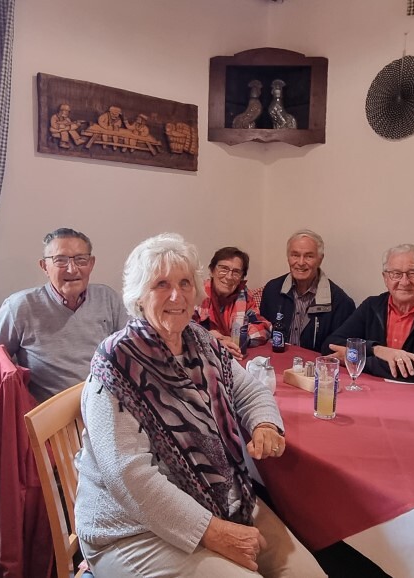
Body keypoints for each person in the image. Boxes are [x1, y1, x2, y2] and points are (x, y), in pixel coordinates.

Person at [75, 233, 326, 577]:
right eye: (161, 284)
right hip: (131, 528)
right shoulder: (117, 362)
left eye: (184, 283)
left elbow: (249, 390)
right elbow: (128, 476)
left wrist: (265, 423)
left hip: (220, 498)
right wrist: (212, 532)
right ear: (138, 295)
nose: (176, 295)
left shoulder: (201, 342)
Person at [0, 227, 128, 404]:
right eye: (60, 260)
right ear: (44, 266)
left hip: (104, 405)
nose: (72, 269)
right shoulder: (19, 306)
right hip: (50, 414)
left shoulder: (107, 298)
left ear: (91, 263)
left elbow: (131, 351)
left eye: (80, 259)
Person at [325, 244, 414, 385]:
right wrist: (377, 350)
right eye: (396, 274)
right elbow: (331, 346)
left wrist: (355, 359)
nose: (404, 282)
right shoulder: (371, 306)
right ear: (385, 278)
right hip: (372, 387)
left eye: (413, 273)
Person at [259, 229, 355, 352]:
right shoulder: (272, 290)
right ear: (288, 257)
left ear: (320, 259)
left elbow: (339, 352)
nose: (301, 262)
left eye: (309, 256)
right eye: (295, 255)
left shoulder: (341, 303)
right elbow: (264, 335)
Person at [194, 246, 272, 360]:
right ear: (211, 271)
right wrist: (214, 341)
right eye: (223, 269)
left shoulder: (244, 295)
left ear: (241, 278)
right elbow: (184, 332)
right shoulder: (196, 293)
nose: (229, 277)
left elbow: (263, 327)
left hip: (235, 357)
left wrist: (237, 339)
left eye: (236, 272)